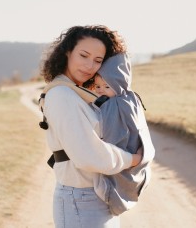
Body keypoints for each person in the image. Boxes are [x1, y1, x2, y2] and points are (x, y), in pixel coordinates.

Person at [40, 25, 142, 228]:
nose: (89, 66)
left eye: (98, 60)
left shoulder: (76, 93)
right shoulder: (62, 95)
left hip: (96, 195)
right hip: (81, 200)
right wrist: (133, 159)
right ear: (67, 52)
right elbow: (89, 155)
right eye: (84, 55)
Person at [91, 53, 155, 215]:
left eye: (107, 86)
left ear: (119, 83)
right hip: (133, 158)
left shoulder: (112, 105)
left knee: (115, 184)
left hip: (122, 158)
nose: (101, 91)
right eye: (98, 87)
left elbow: (113, 137)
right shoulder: (131, 98)